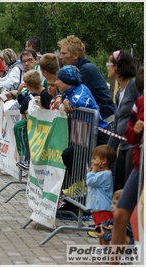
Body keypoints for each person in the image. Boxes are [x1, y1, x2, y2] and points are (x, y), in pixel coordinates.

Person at [110, 67, 144, 265]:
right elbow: (129, 135)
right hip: (140, 165)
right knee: (121, 213)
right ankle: (113, 262)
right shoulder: (140, 103)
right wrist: (136, 130)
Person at [55, 35, 115, 127]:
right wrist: (61, 96)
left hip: (106, 124)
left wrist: (64, 98)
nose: (60, 57)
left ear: (75, 55)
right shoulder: (76, 70)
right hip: (95, 125)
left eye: (64, 54)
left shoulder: (86, 70)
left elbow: (70, 89)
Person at [106, 50, 140, 191]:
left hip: (134, 146)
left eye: (109, 63)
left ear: (117, 66)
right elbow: (116, 125)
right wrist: (107, 153)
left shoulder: (133, 85)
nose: (107, 66)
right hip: (123, 147)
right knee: (119, 188)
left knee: (129, 189)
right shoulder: (120, 92)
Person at [85, 144, 117, 226]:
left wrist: (92, 172)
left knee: (103, 230)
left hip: (102, 209)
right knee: (100, 229)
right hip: (98, 208)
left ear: (103, 160)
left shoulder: (105, 175)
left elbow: (90, 182)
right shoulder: (101, 174)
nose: (92, 161)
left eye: (94, 159)